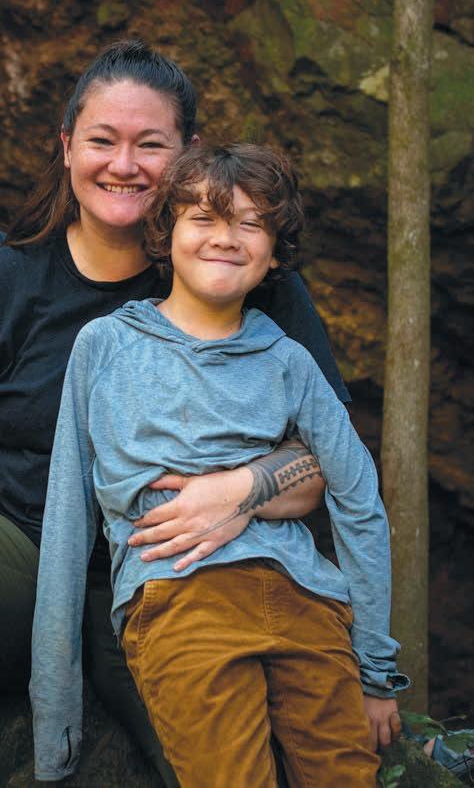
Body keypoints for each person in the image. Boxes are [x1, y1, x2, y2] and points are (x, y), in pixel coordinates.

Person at [0, 41, 349, 784]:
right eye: (102, 140)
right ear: (67, 147)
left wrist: (238, 491)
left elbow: (331, 458)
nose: (123, 165)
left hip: (181, 572)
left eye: (150, 145)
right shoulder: (13, 275)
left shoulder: (241, 272)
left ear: (187, 154)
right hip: (25, 547)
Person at [30, 143, 408, 786]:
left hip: (306, 600)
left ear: (274, 250)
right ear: (165, 231)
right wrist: (55, 712)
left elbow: (358, 498)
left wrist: (375, 671)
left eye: (251, 223)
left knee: (346, 775)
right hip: (179, 596)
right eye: (204, 217)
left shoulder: (289, 360)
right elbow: (68, 516)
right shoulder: (108, 345)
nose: (226, 238)